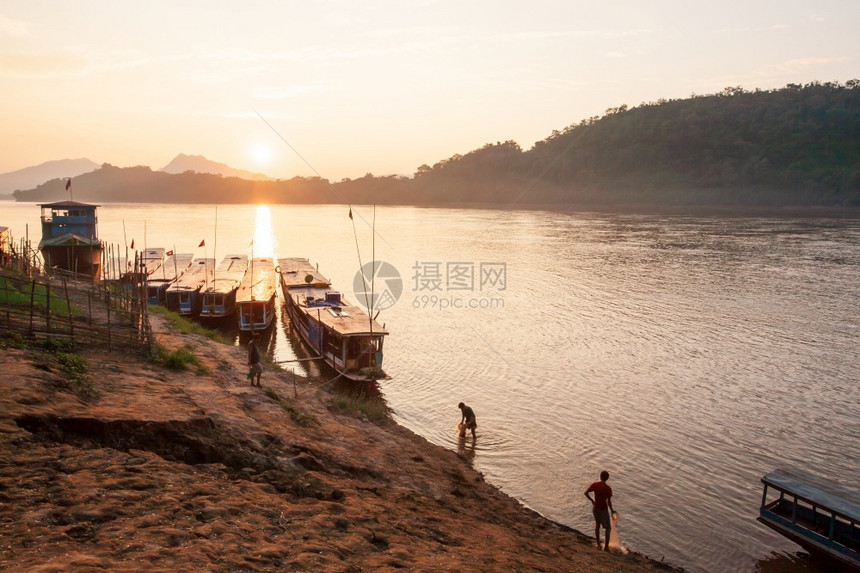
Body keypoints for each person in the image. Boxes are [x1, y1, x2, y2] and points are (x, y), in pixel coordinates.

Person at [584, 470, 616, 551]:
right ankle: (606, 548)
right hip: (603, 509)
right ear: (607, 478)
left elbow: (586, 493)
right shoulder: (608, 488)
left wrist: (592, 500)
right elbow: (608, 501)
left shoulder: (595, 485)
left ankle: (598, 544)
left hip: (595, 508)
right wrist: (612, 510)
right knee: (608, 528)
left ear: (600, 476)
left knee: (597, 525)